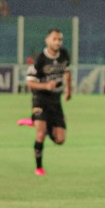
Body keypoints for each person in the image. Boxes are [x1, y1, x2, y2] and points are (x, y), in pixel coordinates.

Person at [26, 29, 72, 176]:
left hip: (55, 101)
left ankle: (39, 122)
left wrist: (68, 90)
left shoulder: (64, 55)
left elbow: (66, 71)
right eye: (54, 39)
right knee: (40, 134)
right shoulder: (39, 59)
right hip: (40, 99)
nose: (57, 42)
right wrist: (45, 86)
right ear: (47, 40)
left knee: (60, 140)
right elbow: (30, 83)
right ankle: (39, 167)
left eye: (60, 39)